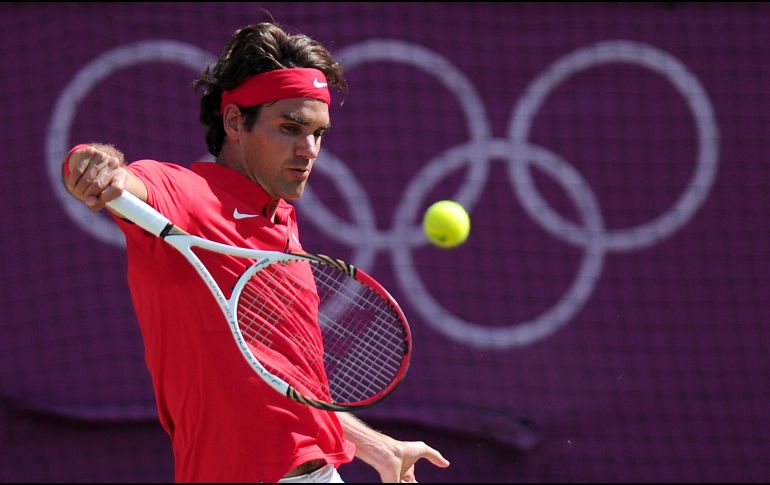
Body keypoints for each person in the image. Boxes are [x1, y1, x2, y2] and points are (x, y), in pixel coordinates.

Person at [61, 21, 450, 483]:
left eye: (318, 133)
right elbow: (120, 178)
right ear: (234, 122)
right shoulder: (186, 193)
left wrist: (376, 447)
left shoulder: (281, 217)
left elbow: (280, 386)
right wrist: (93, 163)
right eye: (290, 128)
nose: (308, 149)